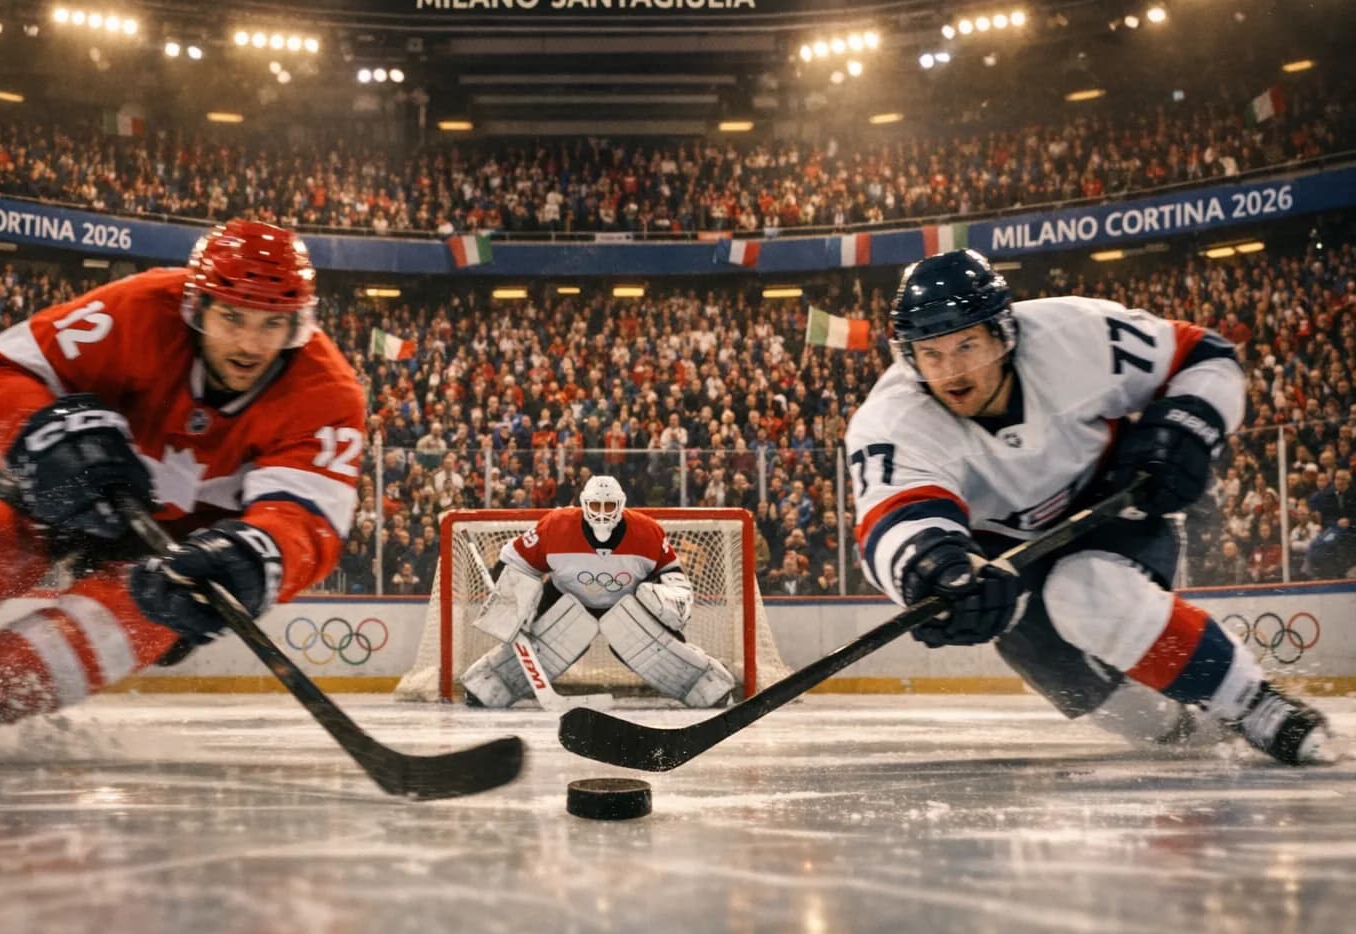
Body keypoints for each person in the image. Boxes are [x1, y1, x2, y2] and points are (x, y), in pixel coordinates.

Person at [0, 220, 366, 766]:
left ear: (298, 322)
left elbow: (307, 522)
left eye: (273, 323)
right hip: (59, 481)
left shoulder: (328, 394)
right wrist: (46, 434)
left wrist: (251, 559)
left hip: (176, 545)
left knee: (145, 612)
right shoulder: (137, 310)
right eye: (232, 316)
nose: (251, 343)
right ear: (197, 305)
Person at [846, 249, 1331, 766]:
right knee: (1134, 719)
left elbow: (1205, 356)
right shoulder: (892, 421)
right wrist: (934, 570)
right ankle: (1185, 723)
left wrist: (1191, 424)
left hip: (1113, 510)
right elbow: (893, 520)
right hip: (1004, 566)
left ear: (1001, 332)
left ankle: (1253, 702)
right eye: (932, 353)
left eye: (967, 345)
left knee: (1084, 592)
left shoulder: (1076, 335)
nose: (951, 372)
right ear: (909, 356)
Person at [460, 474, 735, 708]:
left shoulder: (647, 531)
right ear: (582, 504)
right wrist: (510, 601)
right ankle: (488, 685)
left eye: (609, 505)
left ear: (621, 505)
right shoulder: (555, 525)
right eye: (595, 504)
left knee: (653, 642)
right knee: (541, 639)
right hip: (563, 596)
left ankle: (706, 683)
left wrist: (672, 603)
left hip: (628, 603)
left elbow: (673, 576)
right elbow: (514, 561)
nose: (602, 512)